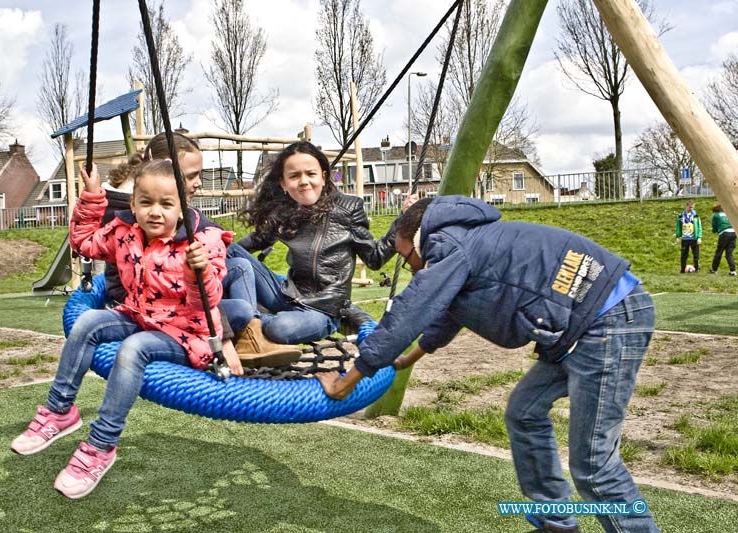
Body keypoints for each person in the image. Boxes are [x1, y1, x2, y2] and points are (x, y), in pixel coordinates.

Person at [318, 196, 659, 533]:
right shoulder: (465, 240)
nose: (414, 269)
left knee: (593, 466)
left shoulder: (450, 246)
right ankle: (556, 521)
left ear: (418, 240)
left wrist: (345, 381)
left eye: (408, 259)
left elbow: (409, 313)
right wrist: (409, 357)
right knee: (524, 412)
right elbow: (446, 314)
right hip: (588, 323)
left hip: (605, 322)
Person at [11, 160, 237, 499]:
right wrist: (91, 197)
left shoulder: (203, 242)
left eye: (166, 204)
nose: (155, 212)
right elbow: (83, 243)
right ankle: (60, 412)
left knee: (134, 349)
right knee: (88, 322)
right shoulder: (124, 232)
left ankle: (101, 445)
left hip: (185, 333)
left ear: (182, 206)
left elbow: (204, 302)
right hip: (138, 316)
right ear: (133, 204)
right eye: (145, 202)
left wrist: (198, 271)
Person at [101, 131, 300, 368]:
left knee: (238, 263)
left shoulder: (151, 198)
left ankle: (256, 330)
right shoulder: (138, 213)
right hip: (159, 310)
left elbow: (202, 231)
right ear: (167, 171)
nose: (198, 182)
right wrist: (222, 337)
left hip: (183, 295)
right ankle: (283, 310)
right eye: (192, 175)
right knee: (241, 300)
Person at [232, 141, 402, 345]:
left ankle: (250, 325)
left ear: (324, 176)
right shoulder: (286, 212)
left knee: (280, 327)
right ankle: (245, 322)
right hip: (286, 294)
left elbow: (374, 258)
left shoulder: (348, 208)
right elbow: (254, 241)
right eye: (294, 176)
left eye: (310, 174)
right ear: (283, 184)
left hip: (323, 309)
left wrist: (403, 222)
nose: (303, 181)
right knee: (228, 250)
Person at [709, 204, 736, 276]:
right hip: (733, 232)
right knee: (729, 253)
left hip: (724, 234)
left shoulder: (715, 215)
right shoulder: (727, 213)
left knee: (719, 252)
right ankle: (733, 271)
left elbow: (714, 226)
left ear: (714, 210)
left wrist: (714, 230)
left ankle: (714, 270)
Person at [676, 199, 702, 273]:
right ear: (686, 206)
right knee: (684, 255)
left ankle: (697, 269)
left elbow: (699, 227)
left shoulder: (696, 216)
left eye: (693, 207)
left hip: (694, 238)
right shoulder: (681, 216)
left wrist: (699, 237)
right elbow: (678, 227)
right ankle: (682, 269)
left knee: (696, 254)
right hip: (685, 238)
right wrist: (678, 236)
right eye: (690, 207)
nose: (691, 209)